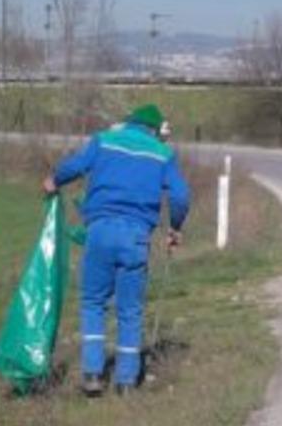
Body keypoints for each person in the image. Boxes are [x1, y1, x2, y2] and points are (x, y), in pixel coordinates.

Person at [42, 103, 190, 397]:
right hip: (136, 237)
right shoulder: (163, 154)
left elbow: (74, 165)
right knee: (130, 310)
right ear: (155, 130)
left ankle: (93, 375)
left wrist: (53, 180)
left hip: (99, 231)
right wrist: (174, 227)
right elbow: (181, 196)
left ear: (131, 123)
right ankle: (125, 381)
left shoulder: (104, 140)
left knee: (93, 302)